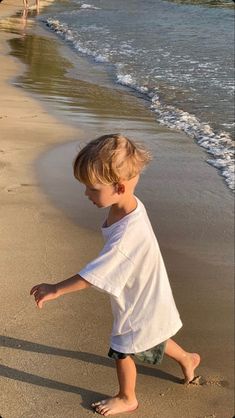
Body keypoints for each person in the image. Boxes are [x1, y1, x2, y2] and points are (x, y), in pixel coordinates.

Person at [30, 134, 200, 416]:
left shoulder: (126, 237)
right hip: (145, 290)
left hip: (139, 298)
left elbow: (93, 275)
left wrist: (56, 289)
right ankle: (188, 359)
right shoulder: (127, 204)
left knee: (122, 348)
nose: (86, 194)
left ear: (119, 187)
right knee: (151, 334)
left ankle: (127, 397)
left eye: (92, 189)